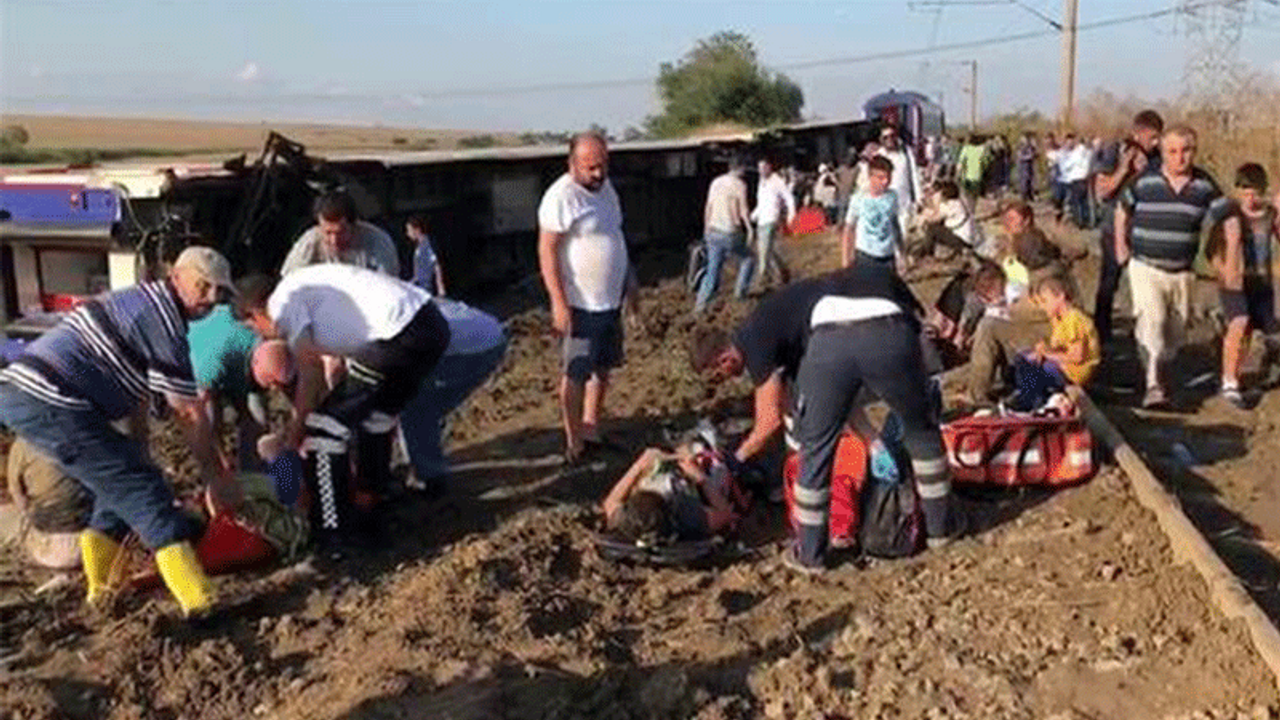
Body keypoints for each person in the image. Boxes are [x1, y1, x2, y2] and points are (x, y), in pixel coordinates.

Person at [0, 246, 238, 617]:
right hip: (51, 401)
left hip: (42, 398)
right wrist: (214, 478)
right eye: (202, 287)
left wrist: (138, 450)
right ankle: (199, 601)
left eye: (217, 293)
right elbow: (190, 412)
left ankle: (103, 591)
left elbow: (137, 394)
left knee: (121, 481)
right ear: (176, 278)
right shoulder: (163, 321)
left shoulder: (143, 303)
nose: (209, 299)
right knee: (144, 490)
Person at [688, 264, 956, 573]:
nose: (729, 380)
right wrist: (872, 441)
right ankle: (942, 531)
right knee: (921, 432)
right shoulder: (794, 316)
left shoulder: (755, 340)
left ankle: (810, 555)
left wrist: (734, 461)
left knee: (816, 453)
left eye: (721, 375)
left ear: (724, 359)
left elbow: (769, 421)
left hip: (831, 340)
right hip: (891, 329)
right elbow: (837, 391)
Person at [236, 265, 450, 549]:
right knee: (376, 419)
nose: (262, 334)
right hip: (429, 325)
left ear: (255, 313)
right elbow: (335, 369)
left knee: (322, 430)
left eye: (254, 328)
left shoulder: (284, 302)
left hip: (395, 333)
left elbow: (310, 371)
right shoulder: (309, 286)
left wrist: (294, 436)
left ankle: (332, 532)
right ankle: (369, 508)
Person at [537, 132, 638, 463]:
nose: (598, 174)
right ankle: (574, 443)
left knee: (603, 368)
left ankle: (592, 426)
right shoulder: (561, 197)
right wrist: (558, 302)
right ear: (572, 164)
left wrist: (630, 281)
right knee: (577, 371)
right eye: (591, 167)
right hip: (580, 305)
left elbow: (616, 234)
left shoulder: (607, 190)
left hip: (609, 301)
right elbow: (547, 250)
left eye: (603, 165)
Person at [1116, 125, 1233, 408]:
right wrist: (1121, 245)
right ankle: (1153, 385)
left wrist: (1228, 259)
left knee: (1175, 332)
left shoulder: (1204, 184)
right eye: (1173, 151)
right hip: (1146, 264)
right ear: (1164, 152)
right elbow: (1122, 208)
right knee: (1152, 320)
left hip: (1182, 270)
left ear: (1194, 151)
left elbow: (1227, 218)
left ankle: (1161, 375)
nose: (1180, 157)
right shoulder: (1146, 181)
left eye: (1186, 151)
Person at [397, 299, 508, 498]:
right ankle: (423, 467)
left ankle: (429, 480)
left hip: (473, 346)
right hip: (481, 331)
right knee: (411, 406)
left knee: (414, 407)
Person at [189, 303, 295, 472]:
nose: (273, 390)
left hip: (240, 366)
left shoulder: (261, 331)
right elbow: (204, 419)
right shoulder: (212, 365)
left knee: (257, 419)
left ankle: (252, 472)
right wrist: (221, 458)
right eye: (270, 383)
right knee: (213, 419)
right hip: (196, 364)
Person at [1206, 163, 1280, 407]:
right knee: (1239, 323)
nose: (1250, 198)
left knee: (1260, 333)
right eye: (1245, 192)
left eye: (1255, 193)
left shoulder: (1269, 215)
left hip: (1261, 281)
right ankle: (1229, 381)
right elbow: (1212, 249)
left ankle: (1240, 372)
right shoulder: (1229, 214)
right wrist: (1223, 272)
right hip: (1234, 282)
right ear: (1238, 191)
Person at [1093, 110, 1164, 342]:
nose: (1155, 143)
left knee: (1145, 283)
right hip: (1114, 226)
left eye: (1158, 138)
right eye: (1151, 137)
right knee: (1109, 280)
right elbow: (1102, 191)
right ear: (1138, 132)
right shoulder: (1114, 151)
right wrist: (1124, 169)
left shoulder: (1157, 158)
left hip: (1144, 227)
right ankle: (1101, 331)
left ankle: (1144, 332)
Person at [601, 445, 737, 543]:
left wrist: (639, 465)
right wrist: (700, 478)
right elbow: (725, 513)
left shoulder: (628, 519)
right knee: (719, 471)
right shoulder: (687, 515)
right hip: (690, 496)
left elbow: (610, 502)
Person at [1010, 275, 1101, 412]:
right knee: (1023, 357)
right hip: (1065, 366)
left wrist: (1047, 355)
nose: (1043, 306)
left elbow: (1077, 356)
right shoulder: (1060, 320)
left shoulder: (1074, 319)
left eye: (1046, 301)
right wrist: (1042, 350)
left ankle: (1031, 403)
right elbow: (1059, 347)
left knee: (1031, 367)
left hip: (1074, 372)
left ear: (1060, 297)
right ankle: (1031, 398)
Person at [280, 190, 400, 277]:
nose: (334, 240)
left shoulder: (377, 241)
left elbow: (389, 283)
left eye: (340, 232)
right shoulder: (309, 242)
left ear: (354, 225)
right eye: (328, 233)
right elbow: (289, 279)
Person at [694, 158, 755, 313]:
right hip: (730, 232)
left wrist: (706, 229)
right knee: (748, 258)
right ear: (740, 169)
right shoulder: (740, 185)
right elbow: (743, 210)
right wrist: (749, 229)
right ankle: (739, 295)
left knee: (712, 270)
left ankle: (700, 305)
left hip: (713, 230)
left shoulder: (715, 182)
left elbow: (708, 206)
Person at [841, 156, 903, 271]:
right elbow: (849, 229)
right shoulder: (858, 198)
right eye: (881, 178)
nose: (885, 182)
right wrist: (846, 259)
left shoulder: (892, 196)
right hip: (866, 256)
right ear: (870, 177)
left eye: (888, 177)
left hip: (888, 256)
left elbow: (895, 224)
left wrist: (901, 253)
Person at [751, 156, 796, 290]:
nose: (762, 171)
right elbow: (762, 202)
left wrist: (791, 215)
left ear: (770, 167)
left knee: (763, 251)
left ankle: (762, 280)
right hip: (761, 220)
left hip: (771, 219)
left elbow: (788, 198)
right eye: (759, 168)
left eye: (764, 167)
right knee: (769, 250)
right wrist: (754, 214)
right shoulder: (761, 182)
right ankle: (783, 273)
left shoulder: (777, 181)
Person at [913, 180, 984, 261]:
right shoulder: (958, 202)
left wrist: (923, 213)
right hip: (967, 237)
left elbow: (934, 219)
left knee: (932, 229)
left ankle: (925, 252)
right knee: (937, 228)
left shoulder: (949, 205)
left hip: (962, 240)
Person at [875, 126, 924, 235]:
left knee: (906, 238)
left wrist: (919, 198)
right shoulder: (878, 156)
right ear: (881, 139)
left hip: (904, 206)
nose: (889, 140)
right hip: (885, 206)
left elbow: (914, 175)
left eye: (892, 136)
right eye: (886, 137)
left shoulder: (906, 153)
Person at [406, 215, 446, 296]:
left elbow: (436, 265)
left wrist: (440, 288)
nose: (408, 234)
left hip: (427, 287)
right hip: (420, 286)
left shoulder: (427, 244)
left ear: (417, 230)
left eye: (409, 230)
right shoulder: (418, 246)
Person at [1059, 134, 1092, 228]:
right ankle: (1086, 220)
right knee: (1083, 201)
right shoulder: (1088, 152)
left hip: (1076, 179)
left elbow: (1067, 165)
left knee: (1076, 202)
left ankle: (1079, 222)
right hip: (1085, 179)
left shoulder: (1077, 152)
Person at [956, 135, 988, 210]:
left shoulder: (966, 149)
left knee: (967, 197)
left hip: (966, 177)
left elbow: (960, 163)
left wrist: (958, 174)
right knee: (975, 197)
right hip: (978, 177)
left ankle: (969, 212)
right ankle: (973, 211)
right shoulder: (982, 149)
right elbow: (985, 163)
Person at [1016, 132, 1038, 202]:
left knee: (1030, 179)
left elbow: (1035, 154)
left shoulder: (1030, 147)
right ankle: (1023, 195)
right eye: (1023, 139)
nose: (1025, 141)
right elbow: (1020, 156)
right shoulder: (1020, 147)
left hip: (1029, 164)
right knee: (1024, 180)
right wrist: (1029, 157)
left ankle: (1030, 194)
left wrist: (1034, 148)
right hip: (1023, 164)